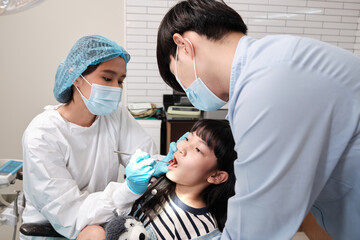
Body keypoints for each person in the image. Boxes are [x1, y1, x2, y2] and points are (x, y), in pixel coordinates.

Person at [156, 0, 360, 239]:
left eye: (178, 77)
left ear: (183, 46)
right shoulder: (272, 62)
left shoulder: (268, 86)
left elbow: (254, 230)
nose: (187, 91)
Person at [21, 35, 159, 240]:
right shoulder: (41, 135)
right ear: (76, 77)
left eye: (121, 80)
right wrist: (127, 189)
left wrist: (166, 163)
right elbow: (70, 215)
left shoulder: (115, 116)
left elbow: (147, 156)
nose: (116, 88)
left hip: (101, 220)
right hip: (54, 230)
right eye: (107, 78)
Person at [127, 119, 237, 240]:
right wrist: (130, 190)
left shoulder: (202, 232)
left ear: (216, 176)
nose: (181, 147)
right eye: (187, 139)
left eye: (198, 149)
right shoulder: (152, 183)